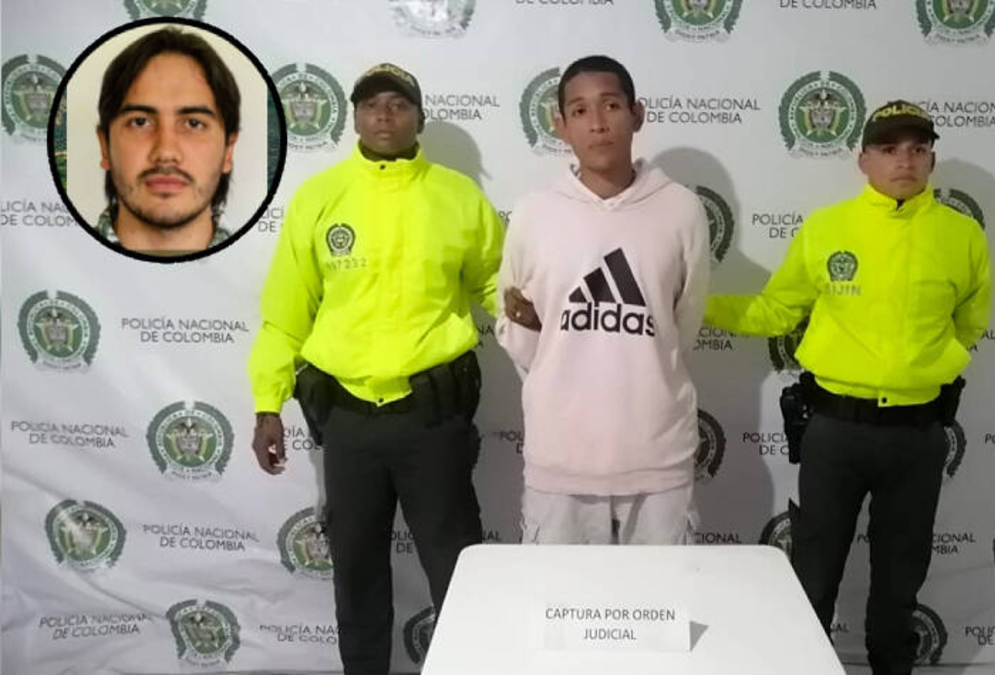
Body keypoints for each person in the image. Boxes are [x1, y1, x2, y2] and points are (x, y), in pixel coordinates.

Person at [704, 100, 993, 675]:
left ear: (931, 159)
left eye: (917, 149)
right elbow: (776, 310)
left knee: (900, 580)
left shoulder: (962, 236)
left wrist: (926, 368)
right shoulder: (827, 228)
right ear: (864, 161)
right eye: (889, 149)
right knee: (814, 572)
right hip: (834, 431)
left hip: (917, 433)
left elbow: (970, 323)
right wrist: (695, 306)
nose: (904, 160)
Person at [247, 62, 503, 675]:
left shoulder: (459, 197)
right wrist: (267, 403)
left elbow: (497, 286)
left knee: (457, 571)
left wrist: (551, 334)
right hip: (348, 422)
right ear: (354, 118)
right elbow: (286, 314)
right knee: (357, 573)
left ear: (419, 117)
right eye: (370, 105)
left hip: (433, 420)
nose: (384, 115)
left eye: (398, 104)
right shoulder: (319, 197)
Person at [498, 55, 710, 545]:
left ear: (637, 114)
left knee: (660, 593)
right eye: (579, 110)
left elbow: (682, 326)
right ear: (560, 125)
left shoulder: (681, 209)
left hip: (657, 459)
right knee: (559, 594)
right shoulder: (534, 213)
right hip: (560, 460)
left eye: (611, 105)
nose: (597, 123)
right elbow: (519, 333)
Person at [94, 26, 238, 253]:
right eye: (140, 122)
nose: (166, 153)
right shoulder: (58, 264)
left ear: (228, 150)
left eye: (193, 123)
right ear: (105, 147)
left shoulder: (265, 264)